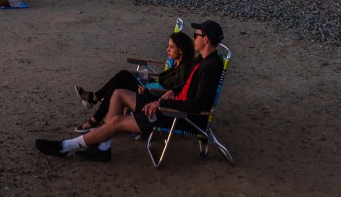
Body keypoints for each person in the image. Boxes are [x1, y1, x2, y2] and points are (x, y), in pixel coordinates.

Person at [35, 19, 224, 163]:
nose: (193, 38)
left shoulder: (211, 66)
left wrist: (161, 103)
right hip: (169, 106)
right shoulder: (202, 60)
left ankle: (66, 146)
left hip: (177, 116)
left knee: (117, 122)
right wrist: (173, 92)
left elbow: (199, 104)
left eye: (196, 35)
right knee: (118, 94)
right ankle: (103, 148)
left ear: (205, 39)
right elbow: (186, 86)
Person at [73, 31, 194, 133]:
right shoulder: (177, 64)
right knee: (122, 78)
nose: (167, 50)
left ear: (181, 50)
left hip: (153, 98)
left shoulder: (184, 69)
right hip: (150, 90)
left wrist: (147, 91)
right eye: (168, 46)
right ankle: (95, 111)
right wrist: (148, 80)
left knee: (123, 76)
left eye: (171, 47)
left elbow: (175, 94)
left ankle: (95, 105)